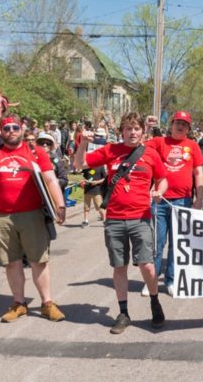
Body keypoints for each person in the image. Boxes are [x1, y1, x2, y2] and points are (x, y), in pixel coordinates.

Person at [0, 115, 67, 323]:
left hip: (33, 215)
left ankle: (47, 303)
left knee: (39, 261)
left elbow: (50, 179)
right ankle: (19, 303)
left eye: (15, 127)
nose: (11, 131)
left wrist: (60, 205)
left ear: (21, 129)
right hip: (3, 216)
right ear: (1, 131)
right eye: (6, 128)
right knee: (12, 263)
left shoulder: (36, 152)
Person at [73, 112, 168, 333]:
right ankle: (123, 313)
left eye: (136, 128)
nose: (132, 132)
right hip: (114, 219)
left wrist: (158, 191)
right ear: (122, 131)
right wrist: (82, 144)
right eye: (128, 128)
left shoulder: (151, 154)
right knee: (119, 266)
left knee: (147, 265)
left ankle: (155, 302)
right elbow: (80, 165)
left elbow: (162, 180)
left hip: (141, 218)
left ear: (142, 131)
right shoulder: (110, 151)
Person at [146, 111, 203, 296]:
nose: (180, 126)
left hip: (183, 201)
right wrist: (147, 126)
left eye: (185, 124)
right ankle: (152, 280)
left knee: (176, 243)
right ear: (171, 124)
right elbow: (138, 147)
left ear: (188, 128)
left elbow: (198, 173)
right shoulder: (158, 142)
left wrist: (199, 198)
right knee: (157, 242)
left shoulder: (193, 146)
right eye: (178, 122)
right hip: (159, 200)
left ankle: (171, 279)